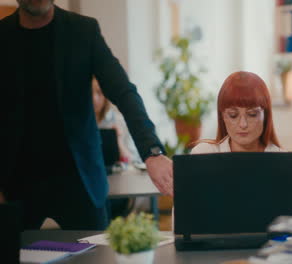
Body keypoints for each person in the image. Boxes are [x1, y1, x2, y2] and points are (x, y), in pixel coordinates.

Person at [1, 1, 173, 230]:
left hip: (80, 181)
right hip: (17, 183)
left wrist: (152, 152)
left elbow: (123, 92)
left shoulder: (82, 31)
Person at [191, 71, 292, 212]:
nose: (243, 124)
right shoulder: (202, 155)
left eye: (252, 114)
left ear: (266, 115)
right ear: (223, 117)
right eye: (233, 115)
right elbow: (182, 219)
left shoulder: (284, 162)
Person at [92, 78, 139, 164]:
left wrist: (118, 140)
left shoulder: (119, 121)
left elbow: (132, 162)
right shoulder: (76, 123)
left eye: (99, 92)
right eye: (90, 93)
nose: (95, 99)